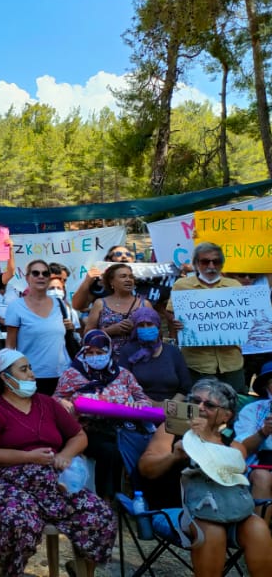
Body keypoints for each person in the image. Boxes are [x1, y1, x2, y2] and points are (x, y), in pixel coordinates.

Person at [0, 350, 116, 577]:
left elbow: (79, 436)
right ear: (5, 377)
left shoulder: (47, 404)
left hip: (54, 485)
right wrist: (29, 457)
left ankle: (85, 570)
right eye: (24, 369)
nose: (32, 374)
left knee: (101, 515)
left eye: (30, 367)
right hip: (10, 485)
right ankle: (10, 572)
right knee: (19, 523)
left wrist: (66, 455)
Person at [138, 379, 272, 576]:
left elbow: (238, 463)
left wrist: (206, 441)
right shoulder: (173, 429)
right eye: (194, 400)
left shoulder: (230, 442)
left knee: (257, 527)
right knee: (210, 531)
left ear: (226, 415)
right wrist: (174, 456)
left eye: (209, 405)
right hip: (174, 508)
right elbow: (146, 469)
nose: (199, 407)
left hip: (226, 509)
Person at [53, 329, 151, 501]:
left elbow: (144, 400)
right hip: (88, 428)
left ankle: (140, 498)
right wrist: (63, 403)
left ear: (109, 352)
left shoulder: (123, 374)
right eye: (89, 352)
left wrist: (138, 405)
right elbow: (55, 399)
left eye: (99, 352)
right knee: (109, 451)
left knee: (140, 447)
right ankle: (104, 499)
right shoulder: (72, 374)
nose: (94, 356)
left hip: (123, 427)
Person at [166, 242, 246, 392]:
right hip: (197, 364)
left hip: (231, 363)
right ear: (196, 263)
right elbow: (170, 313)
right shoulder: (181, 286)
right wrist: (176, 322)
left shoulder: (235, 286)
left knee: (235, 406)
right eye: (205, 261)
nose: (211, 265)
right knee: (200, 407)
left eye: (216, 261)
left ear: (222, 264)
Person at [4, 259, 72, 395]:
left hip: (62, 376)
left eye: (45, 273)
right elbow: (10, 347)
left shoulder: (60, 304)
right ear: (27, 277)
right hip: (30, 377)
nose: (41, 276)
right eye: (36, 273)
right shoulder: (16, 307)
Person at [116, 306, 192, 402]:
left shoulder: (173, 351)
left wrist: (171, 404)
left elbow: (185, 386)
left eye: (149, 324)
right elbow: (122, 384)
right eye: (141, 325)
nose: (146, 328)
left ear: (158, 326)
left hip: (172, 409)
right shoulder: (128, 351)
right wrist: (153, 405)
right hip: (140, 408)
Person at [83, 263, 153, 352]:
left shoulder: (144, 304)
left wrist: (135, 330)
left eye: (131, 277)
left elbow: (157, 334)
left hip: (139, 359)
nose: (128, 280)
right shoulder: (100, 303)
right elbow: (88, 335)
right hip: (109, 360)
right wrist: (109, 331)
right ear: (111, 281)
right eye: (123, 276)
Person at [233, 360, 272, 509]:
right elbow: (242, 448)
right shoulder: (252, 411)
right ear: (267, 388)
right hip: (261, 464)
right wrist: (264, 432)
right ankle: (260, 530)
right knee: (261, 476)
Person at [71, 244, 136, 312]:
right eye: (118, 254)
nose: (124, 256)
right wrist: (87, 281)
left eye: (128, 254)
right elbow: (77, 306)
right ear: (108, 260)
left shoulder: (146, 280)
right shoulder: (99, 284)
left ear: (133, 259)